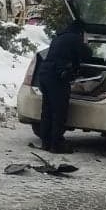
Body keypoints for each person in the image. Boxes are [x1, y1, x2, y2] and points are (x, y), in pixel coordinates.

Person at [35, 18, 92, 154]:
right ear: (81, 32)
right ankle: (57, 144)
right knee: (59, 111)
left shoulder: (59, 37)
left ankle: (46, 142)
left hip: (44, 75)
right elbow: (87, 54)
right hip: (57, 77)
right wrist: (85, 43)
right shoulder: (75, 39)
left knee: (47, 110)